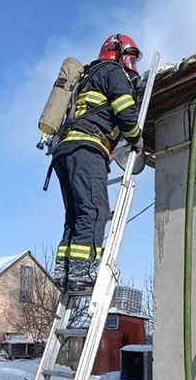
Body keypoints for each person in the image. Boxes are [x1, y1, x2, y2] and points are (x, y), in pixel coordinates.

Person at [50, 34, 144, 292]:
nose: (132, 65)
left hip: (65, 151)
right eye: (130, 58)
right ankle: (83, 272)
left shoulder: (88, 78)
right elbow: (125, 112)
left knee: (76, 213)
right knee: (95, 210)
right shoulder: (113, 73)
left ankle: (64, 271)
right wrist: (136, 140)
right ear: (117, 53)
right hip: (86, 149)